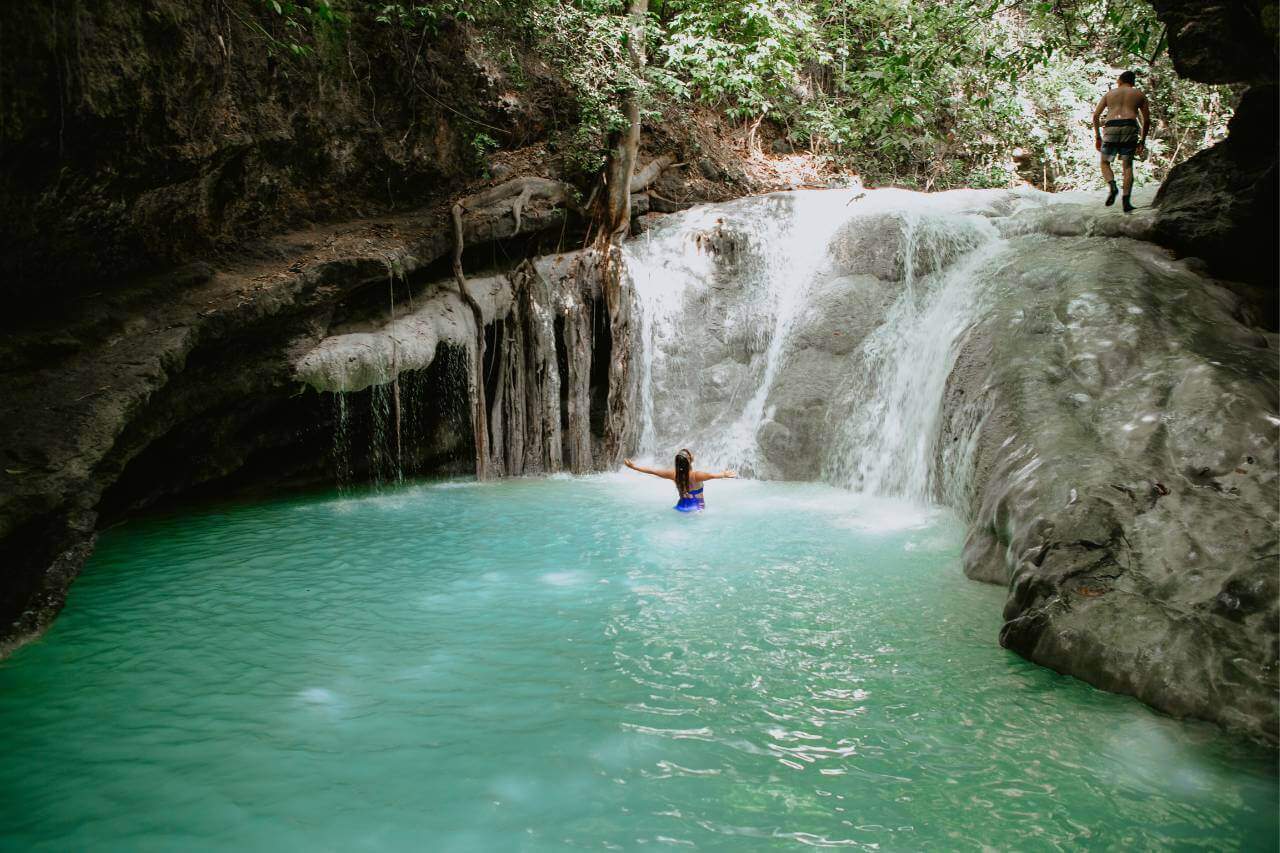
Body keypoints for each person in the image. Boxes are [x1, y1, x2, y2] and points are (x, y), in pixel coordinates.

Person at [1092, 70, 1150, 213]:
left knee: (1105, 162)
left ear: (1119, 80)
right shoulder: (1139, 94)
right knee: (1128, 166)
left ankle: (1112, 186)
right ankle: (1126, 203)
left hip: (1111, 127)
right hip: (1130, 128)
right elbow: (1147, 120)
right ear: (1133, 82)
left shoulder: (1110, 94)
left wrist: (1098, 136)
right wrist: (1142, 140)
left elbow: (1096, 116)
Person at [624, 449, 737, 512]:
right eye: (689, 454)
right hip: (698, 509)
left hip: (681, 507)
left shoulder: (673, 474)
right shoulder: (696, 475)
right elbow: (712, 476)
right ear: (689, 460)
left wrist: (634, 467)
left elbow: (652, 471)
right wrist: (724, 474)